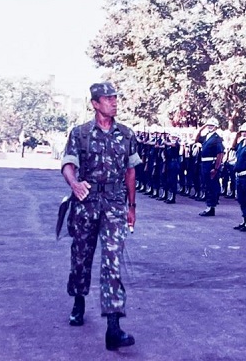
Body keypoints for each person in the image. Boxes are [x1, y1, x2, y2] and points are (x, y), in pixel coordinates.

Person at [60, 82, 141, 351]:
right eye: (108, 99)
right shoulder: (80, 133)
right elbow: (68, 165)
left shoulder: (127, 135)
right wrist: (74, 184)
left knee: (113, 261)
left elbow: (131, 172)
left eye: (115, 98)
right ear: (95, 103)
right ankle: (79, 300)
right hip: (86, 203)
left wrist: (132, 206)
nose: (114, 102)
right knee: (81, 257)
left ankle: (113, 327)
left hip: (115, 204)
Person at [195, 118, 224, 216]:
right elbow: (197, 138)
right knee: (206, 184)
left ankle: (211, 207)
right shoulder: (207, 136)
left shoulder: (217, 138)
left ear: (216, 126)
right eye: (208, 125)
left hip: (211, 163)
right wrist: (201, 128)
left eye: (212, 125)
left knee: (211, 185)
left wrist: (216, 168)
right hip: (204, 163)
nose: (209, 127)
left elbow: (220, 154)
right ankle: (209, 205)